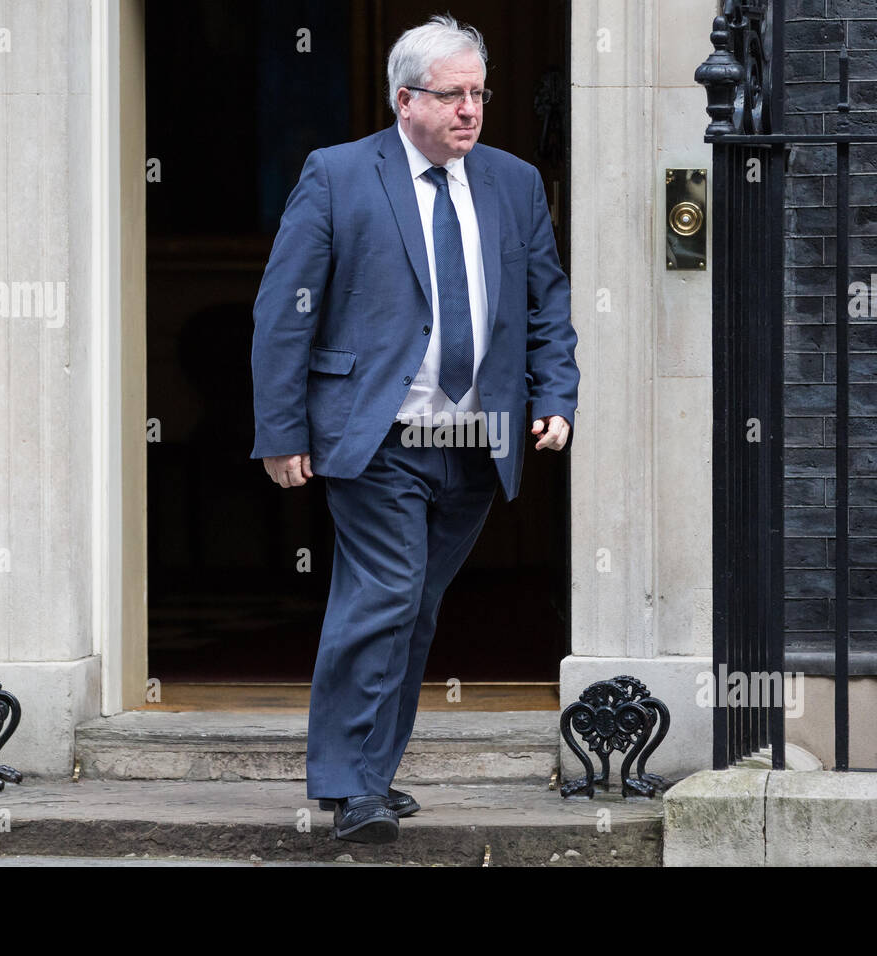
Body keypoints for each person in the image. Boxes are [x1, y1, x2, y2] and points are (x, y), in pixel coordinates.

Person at [250, 13, 579, 844]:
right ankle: (346, 782)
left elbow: (546, 303)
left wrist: (556, 396)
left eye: (479, 93)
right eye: (452, 94)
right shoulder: (338, 175)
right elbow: (285, 312)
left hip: (472, 441)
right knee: (385, 594)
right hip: (380, 436)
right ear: (406, 100)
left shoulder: (513, 182)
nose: (470, 109)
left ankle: (369, 774)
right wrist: (282, 429)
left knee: (416, 607)